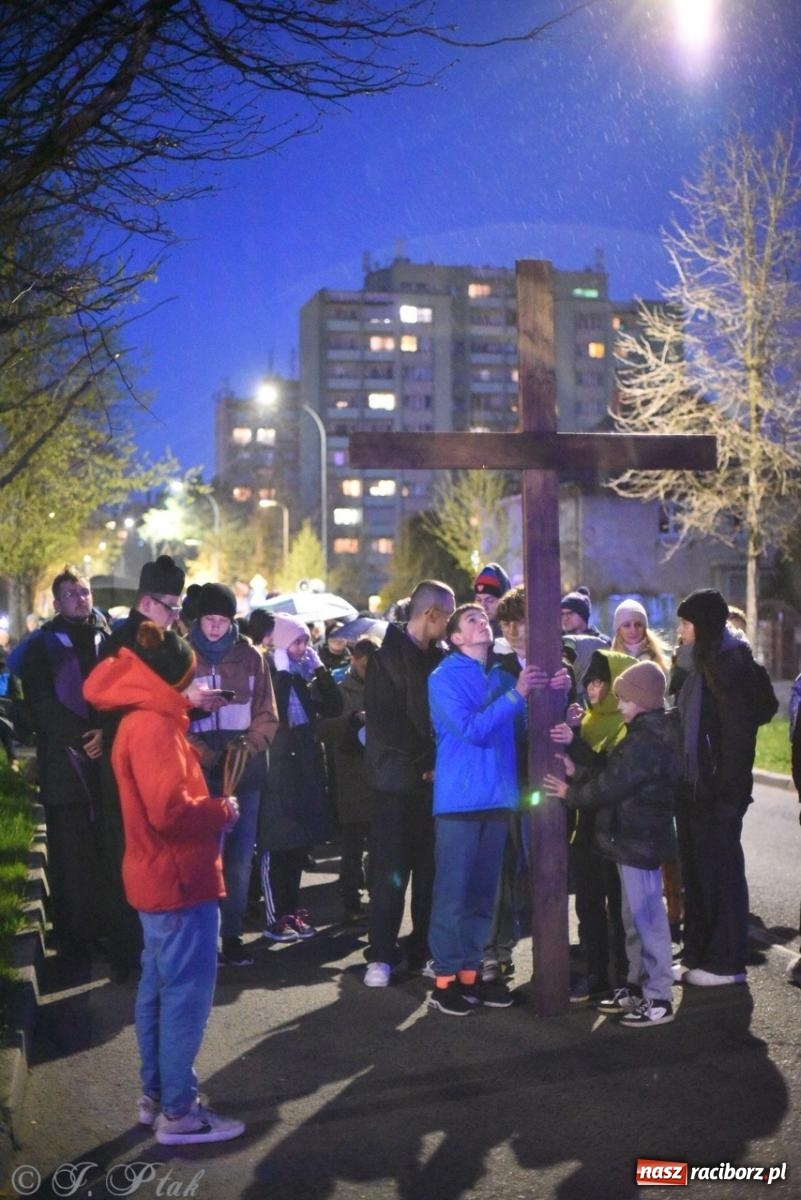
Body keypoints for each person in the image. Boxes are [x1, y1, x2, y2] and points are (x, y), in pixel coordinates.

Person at [84, 621, 245, 1144]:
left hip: (156, 878)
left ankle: (157, 1097)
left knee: (158, 992)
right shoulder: (154, 727)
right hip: (178, 880)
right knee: (184, 998)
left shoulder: (143, 718)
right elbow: (171, 813)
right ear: (173, 679)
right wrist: (221, 810)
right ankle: (179, 1111)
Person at [426, 603, 564, 1016]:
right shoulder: (443, 677)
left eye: (482, 618)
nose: (482, 622)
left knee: (485, 895)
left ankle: (472, 977)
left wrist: (560, 699)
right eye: (472, 620)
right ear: (455, 639)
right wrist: (517, 695)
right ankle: (445, 980)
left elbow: (522, 730)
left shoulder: (504, 677)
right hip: (460, 800)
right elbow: (471, 730)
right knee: (454, 894)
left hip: (498, 798)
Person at [545, 660, 682, 1027]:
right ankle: (637, 989)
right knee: (633, 918)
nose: (618, 705)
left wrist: (570, 792)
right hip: (633, 839)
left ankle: (658, 997)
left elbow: (613, 785)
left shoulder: (646, 740)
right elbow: (613, 775)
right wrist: (582, 772)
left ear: (642, 700)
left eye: (624, 699)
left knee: (647, 918)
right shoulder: (642, 733)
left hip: (638, 840)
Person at [671, 588, 777, 987]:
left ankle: (724, 961)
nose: (679, 630)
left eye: (685, 623)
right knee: (696, 876)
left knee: (721, 875)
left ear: (703, 626)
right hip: (693, 787)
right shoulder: (692, 665)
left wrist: (726, 794)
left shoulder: (729, 668)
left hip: (718, 791)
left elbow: (736, 740)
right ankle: (697, 952)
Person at [94, 554, 188, 980]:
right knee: (132, 857)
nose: (176, 615)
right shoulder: (129, 640)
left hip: (144, 759)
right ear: (149, 602)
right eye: (172, 606)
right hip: (131, 765)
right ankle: (131, 954)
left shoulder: (141, 634)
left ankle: (139, 953)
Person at [362, 579, 456, 987]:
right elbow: (385, 722)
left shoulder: (441, 657)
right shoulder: (386, 660)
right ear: (430, 614)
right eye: (448, 616)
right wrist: (425, 760)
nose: (450, 625)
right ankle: (381, 954)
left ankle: (421, 950)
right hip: (394, 784)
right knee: (390, 872)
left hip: (431, 784)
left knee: (430, 872)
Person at [19, 568, 110, 962]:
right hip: (64, 764)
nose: (80, 598)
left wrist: (105, 732)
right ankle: (74, 935)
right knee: (70, 856)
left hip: (106, 761)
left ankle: (105, 928)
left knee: (104, 852)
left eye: (84, 591)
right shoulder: (42, 646)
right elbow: (39, 704)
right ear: (56, 603)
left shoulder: (106, 640)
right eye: (71, 593)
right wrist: (81, 737)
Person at [187, 583, 279, 966]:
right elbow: (171, 716)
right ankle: (201, 936)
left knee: (240, 858)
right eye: (208, 619)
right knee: (200, 856)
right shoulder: (182, 657)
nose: (214, 628)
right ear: (198, 620)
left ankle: (232, 935)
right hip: (197, 770)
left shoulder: (251, 657)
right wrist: (201, 752)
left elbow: (267, 712)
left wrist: (249, 746)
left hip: (244, 770)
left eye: (221, 620)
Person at [552, 648, 636, 1004]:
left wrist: (576, 743)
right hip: (584, 829)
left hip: (615, 830)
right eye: (590, 682)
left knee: (618, 910)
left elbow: (610, 774)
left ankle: (623, 978)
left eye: (601, 682)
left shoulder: (626, 723)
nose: (593, 689)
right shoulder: (586, 720)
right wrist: (574, 733)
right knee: (588, 905)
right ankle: (596, 973)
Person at [260, 612, 343, 941]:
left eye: (306, 640)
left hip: (303, 769)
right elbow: (273, 713)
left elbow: (335, 706)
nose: (303, 647)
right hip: (276, 771)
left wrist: (321, 670)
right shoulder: (270, 671)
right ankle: (273, 917)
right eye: (296, 641)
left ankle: (291, 912)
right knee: (275, 845)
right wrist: (281, 672)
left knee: (296, 846)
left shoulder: (302, 675)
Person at [318, 636, 380, 923]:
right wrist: (352, 720)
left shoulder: (386, 687)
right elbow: (325, 729)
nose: (367, 670)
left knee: (381, 843)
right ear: (353, 660)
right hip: (352, 772)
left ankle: (378, 896)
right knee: (353, 845)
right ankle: (351, 901)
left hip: (379, 773)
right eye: (363, 663)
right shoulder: (341, 690)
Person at [611, 599, 670, 672]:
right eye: (627, 625)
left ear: (645, 628)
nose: (633, 630)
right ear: (618, 630)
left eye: (638, 625)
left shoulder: (662, 662)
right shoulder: (610, 662)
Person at [473, 562, 511, 636]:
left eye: (490, 600)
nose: (483, 607)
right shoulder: (467, 633)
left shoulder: (515, 635)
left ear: (504, 601)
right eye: (478, 600)